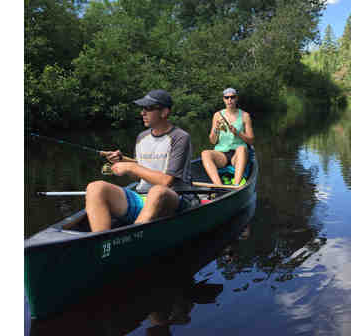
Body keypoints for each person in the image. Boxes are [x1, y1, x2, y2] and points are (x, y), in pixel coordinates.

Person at [85, 89, 196, 232]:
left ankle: (133, 236)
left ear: (164, 112)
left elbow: (166, 181)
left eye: (148, 108)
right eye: (142, 108)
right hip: (142, 197)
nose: (142, 113)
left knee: (157, 191)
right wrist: (122, 162)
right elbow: (139, 175)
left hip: (175, 199)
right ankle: (102, 240)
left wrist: (131, 167)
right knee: (95, 188)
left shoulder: (180, 137)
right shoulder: (141, 137)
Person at [201, 88, 255, 187]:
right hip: (222, 154)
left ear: (236, 98)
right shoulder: (217, 115)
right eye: (227, 97)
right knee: (205, 153)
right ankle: (219, 186)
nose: (229, 100)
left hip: (238, 155)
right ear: (223, 99)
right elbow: (213, 141)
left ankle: (236, 185)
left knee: (242, 149)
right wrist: (216, 129)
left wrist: (238, 133)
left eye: (232, 97)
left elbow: (251, 141)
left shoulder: (245, 116)